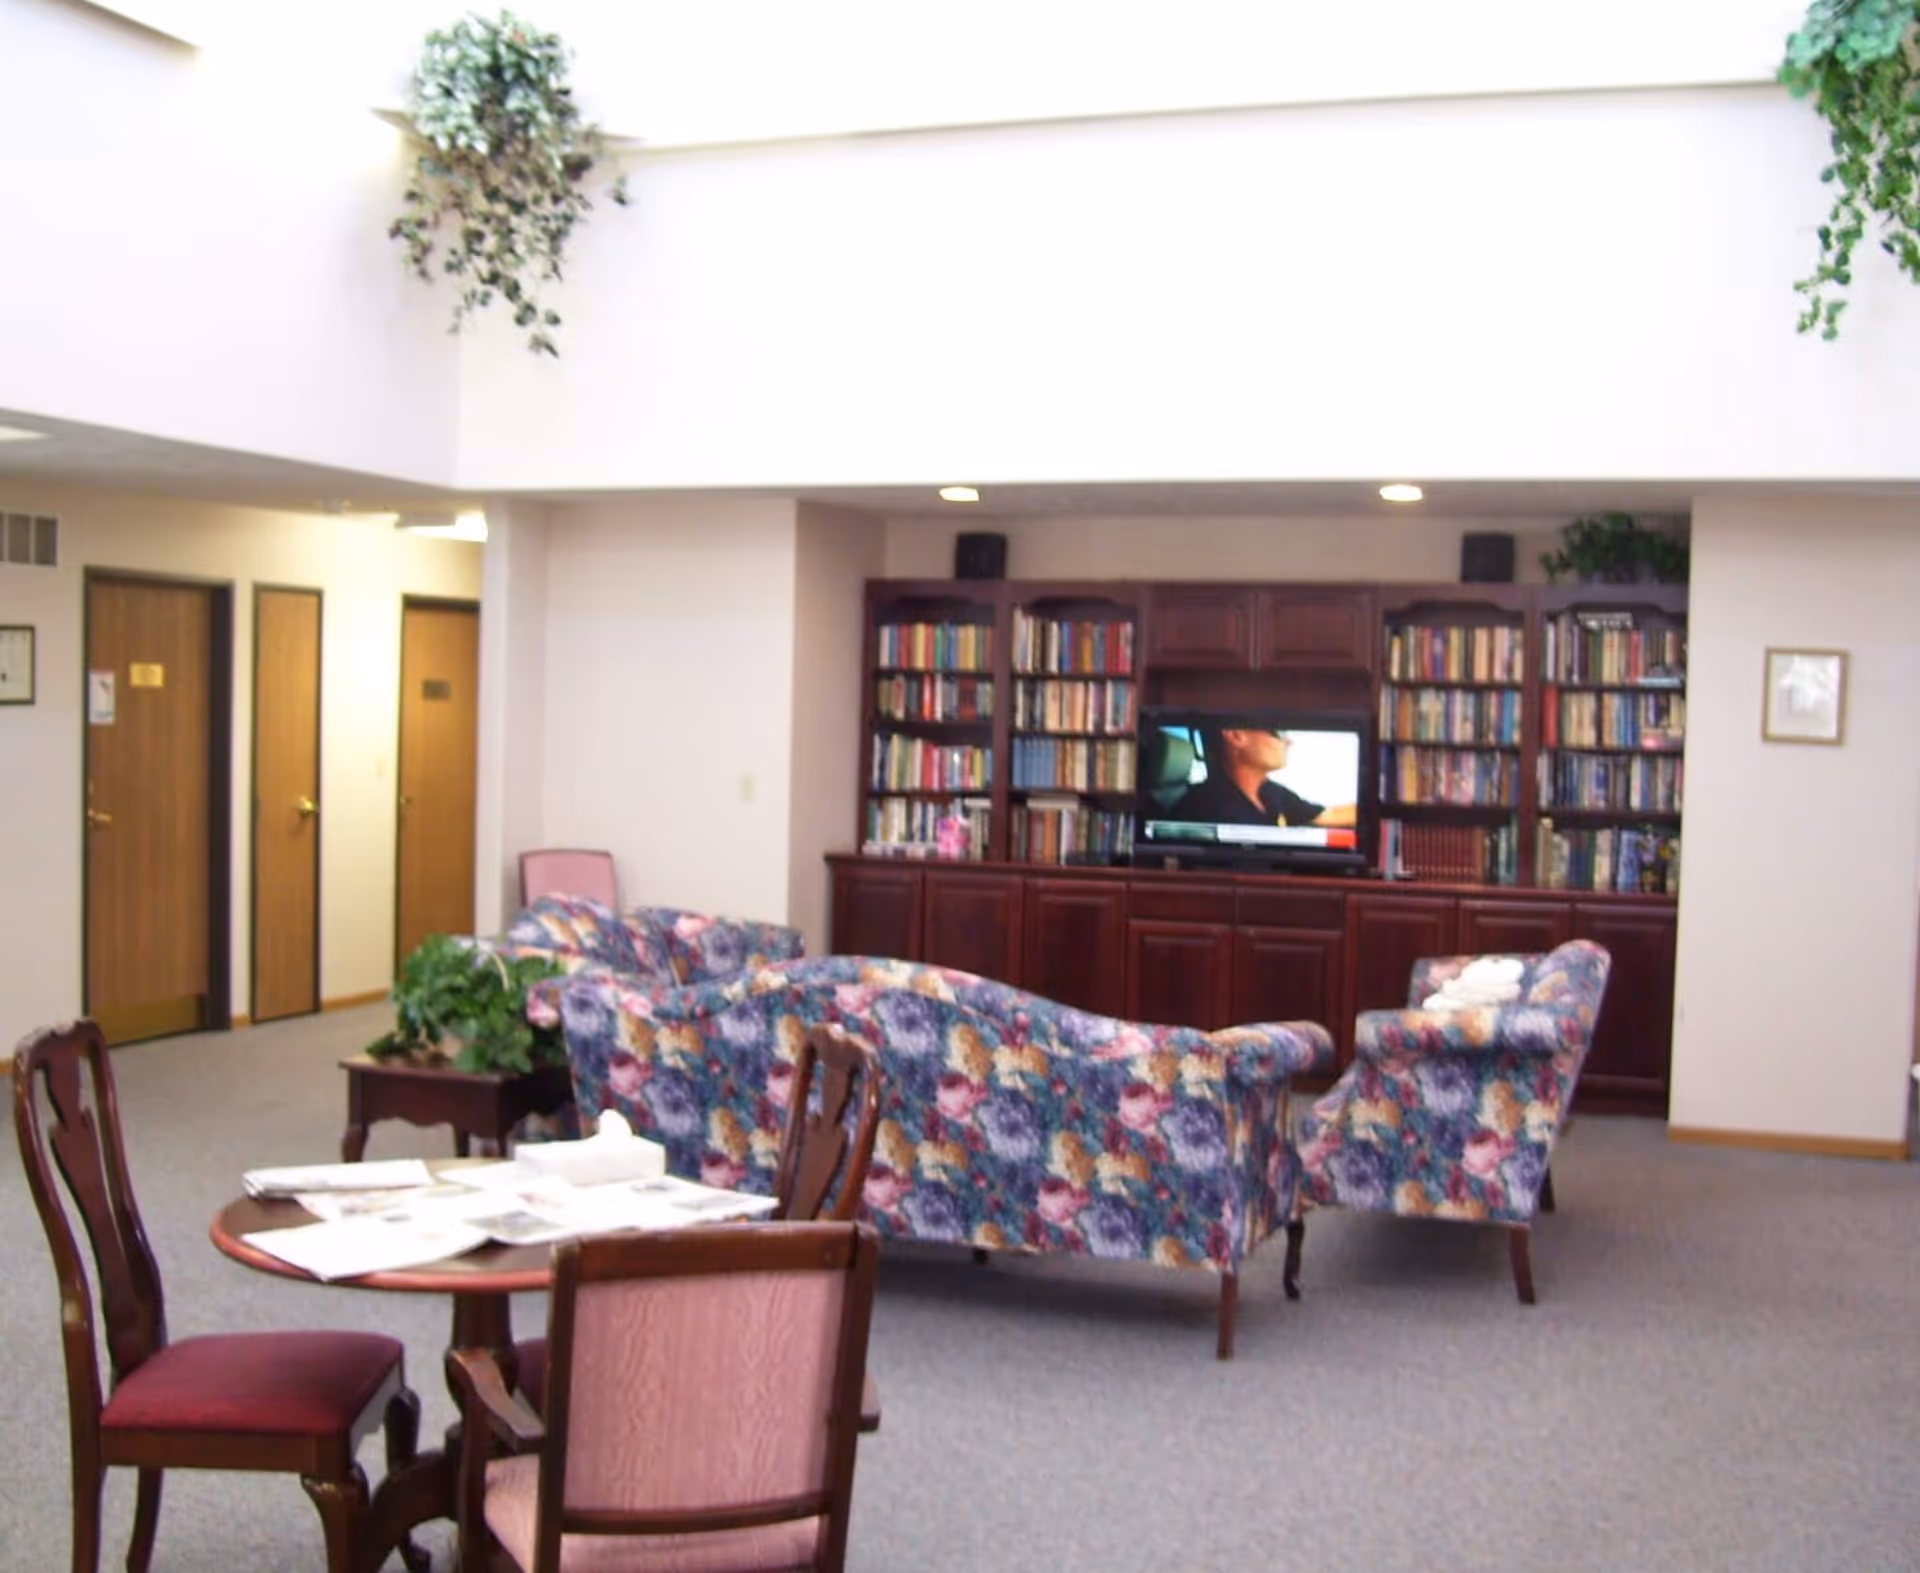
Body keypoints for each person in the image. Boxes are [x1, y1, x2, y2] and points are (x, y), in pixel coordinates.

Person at [1169, 728, 1357, 829]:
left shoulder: (1270, 791)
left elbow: (1326, 816)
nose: (1288, 741)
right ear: (1235, 735)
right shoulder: (1202, 808)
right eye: (1276, 731)